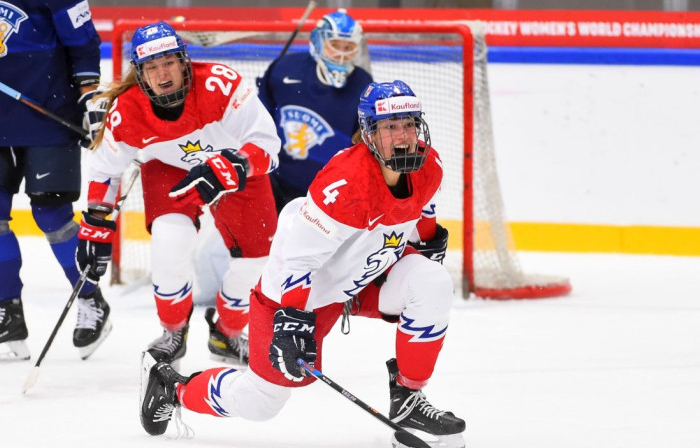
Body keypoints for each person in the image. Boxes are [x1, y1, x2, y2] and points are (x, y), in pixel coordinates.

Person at [138, 80, 465, 447]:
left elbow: (422, 208)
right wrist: (292, 321)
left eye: (408, 124)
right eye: (389, 127)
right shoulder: (345, 183)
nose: (402, 136)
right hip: (300, 293)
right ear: (368, 134)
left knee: (432, 281)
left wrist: (427, 238)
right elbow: (299, 259)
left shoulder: (430, 163)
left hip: (364, 276)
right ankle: (175, 389)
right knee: (261, 402)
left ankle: (409, 399)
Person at [76, 22, 280, 367]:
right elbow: (104, 170)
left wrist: (233, 166)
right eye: (152, 67)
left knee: (257, 262)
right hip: (171, 171)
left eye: (168, 62)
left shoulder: (220, 83)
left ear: (184, 61)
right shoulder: (127, 110)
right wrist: (96, 225)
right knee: (169, 244)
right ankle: (173, 331)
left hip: (233, 168)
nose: (162, 73)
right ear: (139, 74)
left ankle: (227, 333)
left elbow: (267, 145)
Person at [0, 0, 111, 363]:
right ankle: (9, 314)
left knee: (51, 213)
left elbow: (83, 43)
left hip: (50, 111)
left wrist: (89, 97)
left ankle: (90, 298)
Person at [257, 9, 373, 213]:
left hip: (327, 194)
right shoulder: (284, 69)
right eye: (335, 45)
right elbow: (259, 119)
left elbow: (363, 146)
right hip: (276, 183)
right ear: (319, 42)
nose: (342, 53)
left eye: (349, 47)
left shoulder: (363, 84)